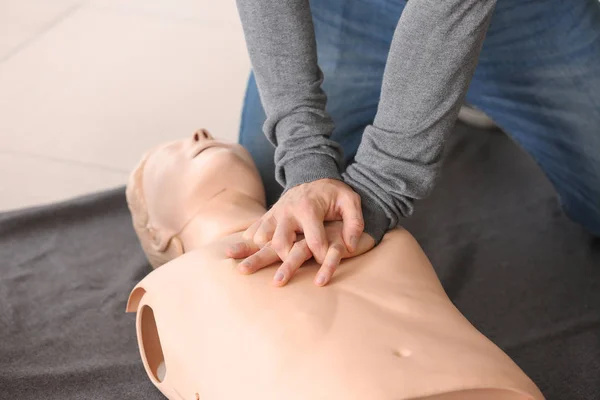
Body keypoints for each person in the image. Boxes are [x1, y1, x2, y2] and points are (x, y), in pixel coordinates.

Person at [125, 131, 544, 400]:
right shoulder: (170, 288)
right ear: (158, 234)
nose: (200, 132)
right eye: (172, 148)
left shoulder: (364, 228)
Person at [234, 0, 600, 286]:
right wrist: (304, 161)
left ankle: (450, 92)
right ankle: (433, 98)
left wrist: (377, 188)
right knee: (274, 214)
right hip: (345, 16)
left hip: (529, 19)